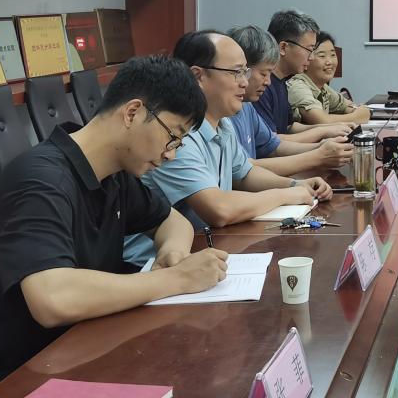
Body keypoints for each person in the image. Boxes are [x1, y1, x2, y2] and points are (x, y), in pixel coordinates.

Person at [0, 56, 228, 394]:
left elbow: (173, 222)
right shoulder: (42, 181)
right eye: (173, 136)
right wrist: (176, 279)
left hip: (77, 350)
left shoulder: (113, 175)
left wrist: (174, 253)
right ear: (132, 112)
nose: (171, 154)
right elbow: (53, 298)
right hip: (13, 377)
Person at [124, 31, 332, 267]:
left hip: (202, 252)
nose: (245, 82)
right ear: (198, 76)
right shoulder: (176, 136)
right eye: (236, 73)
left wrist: (295, 185)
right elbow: (219, 209)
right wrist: (286, 195)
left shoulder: (222, 123)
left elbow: (244, 174)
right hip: (149, 267)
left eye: (245, 72)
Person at [227, 25, 354, 174]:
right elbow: (244, 171)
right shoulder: (227, 113)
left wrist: (321, 147)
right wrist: (318, 154)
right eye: (310, 50)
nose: (311, 57)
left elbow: (274, 145)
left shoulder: (247, 106)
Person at [288, 32, 371, 126]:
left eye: (333, 55)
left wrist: (355, 111)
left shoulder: (321, 86)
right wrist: (356, 117)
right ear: (307, 59)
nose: (329, 62)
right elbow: (321, 121)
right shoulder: (297, 86)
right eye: (322, 56)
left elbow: (345, 105)